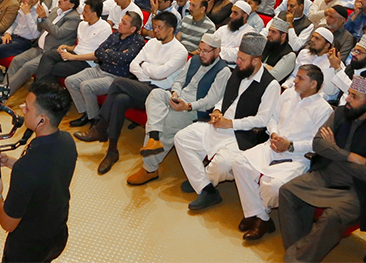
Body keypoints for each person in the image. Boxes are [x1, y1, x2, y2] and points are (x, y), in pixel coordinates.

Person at [278, 76, 366, 263]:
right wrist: (349, 156)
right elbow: (317, 143)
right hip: (326, 175)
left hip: (356, 190)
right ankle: (299, 251)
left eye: (354, 96)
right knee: (287, 191)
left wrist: (334, 151)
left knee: (332, 216)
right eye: (349, 94)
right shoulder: (341, 113)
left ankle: (296, 259)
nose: (347, 99)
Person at [173, 32, 281, 210]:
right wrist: (216, 110)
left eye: (242, 59)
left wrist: (231, 124)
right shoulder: (238, 72)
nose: (237, 62)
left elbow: (262, 120)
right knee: (182, 138)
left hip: (240, 135)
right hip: (219, 124)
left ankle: (201, 182)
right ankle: (206, 188)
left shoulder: (271, 85)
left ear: (255, 61)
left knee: (221, 165)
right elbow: (224, 99)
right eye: (237, 58)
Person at [73, 12, 187, 174]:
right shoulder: (152, 43)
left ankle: (101, 127)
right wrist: (147, 73)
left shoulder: (179, 51)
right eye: (154, 26)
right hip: (141, 85)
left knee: (118, 82)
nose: (155, 30)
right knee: (119, 99)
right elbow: (134, 65)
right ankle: (112, 151)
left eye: (160, 28)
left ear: (171, 30)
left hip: (159, 93)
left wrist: (145, 68)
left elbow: (161, 74)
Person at [231, 64, 333, 240]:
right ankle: (261, 216)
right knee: (240, 163)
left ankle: (257, 215)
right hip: (273, 145)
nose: (295, 80)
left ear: (313, 84)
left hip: (297, 156)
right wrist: (274, 133)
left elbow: (316, 144)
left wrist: (290, 145)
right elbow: (273, 119)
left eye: (301, 78)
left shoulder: (324, 110)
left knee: (274, 186)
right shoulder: (288, 94)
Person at [0, 81, 76, 263]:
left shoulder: (26, 169)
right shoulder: (67, 141)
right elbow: (46, 174)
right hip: (57, 234)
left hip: (28, 249)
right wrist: (10, 162)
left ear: (42, 120)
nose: (22, 109)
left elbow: (8, 223)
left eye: (27, 108)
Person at [127, 33, 231, 186]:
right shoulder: (195, 60)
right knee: (155, 94)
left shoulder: (224, 71)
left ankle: (150, 169)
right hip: (178, 97)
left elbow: (211, 100)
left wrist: (187, 106)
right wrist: (175, 93)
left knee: (168, 120)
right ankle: (154, 138)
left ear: (217, 51)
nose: (201, 54)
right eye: (200, 49)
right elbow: (179, 80)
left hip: (194, 109)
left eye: (206, 51)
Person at [63, 11, 145, 127]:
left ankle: (96, 121)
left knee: (86, 86)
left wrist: (109, 52)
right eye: (121, 21)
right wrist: (113, 55)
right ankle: (86, 113)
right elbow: (99, 51)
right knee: (70, 81)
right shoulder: (116, 34)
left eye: (124, 23)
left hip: (116, 78)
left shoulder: (138, 41)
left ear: (133, 29)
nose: (120, 24)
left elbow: (124, 59)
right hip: (99, 69)